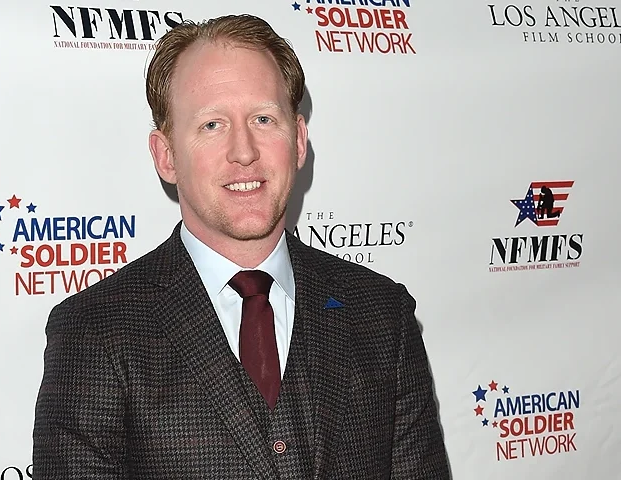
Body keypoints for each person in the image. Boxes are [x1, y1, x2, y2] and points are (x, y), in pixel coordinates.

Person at [32, 14, 450, 479]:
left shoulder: (382, 313)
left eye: (263, 118)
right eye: (212, 124)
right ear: (166, 156)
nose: (244, 151)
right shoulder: (95, 332)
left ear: (299, 140)